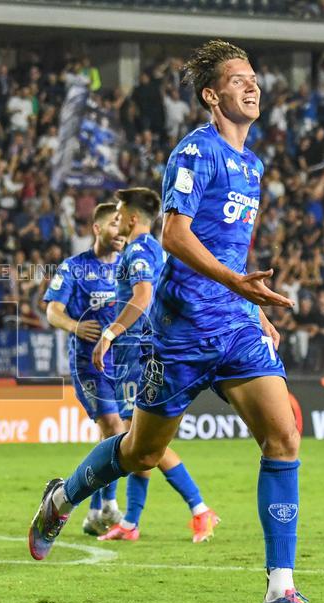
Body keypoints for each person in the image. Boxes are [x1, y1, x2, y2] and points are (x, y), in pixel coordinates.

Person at [27, 40, 324, 603]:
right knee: (141, 451)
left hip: (236, 325)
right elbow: (173, 235)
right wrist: (236, 286)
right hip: (181, 331)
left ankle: (280, 591)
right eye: (240, 79)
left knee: (284, 438)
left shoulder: (253, 165)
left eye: (256, 78)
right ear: (212, 95)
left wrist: (254, 305)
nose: (254, 86)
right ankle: (62, 500)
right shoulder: (197, 149)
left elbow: (228, 249)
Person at [92, 188, 219, 543]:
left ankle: (200, 509)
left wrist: (111, 333)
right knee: (138, 441)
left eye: (118, 216)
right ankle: (131, 523)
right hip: (141, 349)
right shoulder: (145, 249)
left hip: (140, 350)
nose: (115, 222)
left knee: (145, 441)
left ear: (133, 219)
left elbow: (144, 294)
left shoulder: (140, 249)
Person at [42, 203, 126, 536]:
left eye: (122, 227)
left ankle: (94, 511)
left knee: (110, 434)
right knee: (115, 427)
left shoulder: (127, 267)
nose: (119, 233)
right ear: (97, 228)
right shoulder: (74, 268)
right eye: (113, 226)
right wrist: (76, 327)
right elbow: (52, 311)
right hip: (88, 364)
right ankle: (109, 505)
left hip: (122, 364)